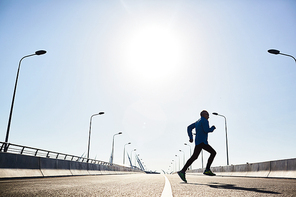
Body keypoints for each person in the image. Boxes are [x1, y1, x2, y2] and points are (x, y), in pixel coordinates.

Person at [178, 110, 217, 183]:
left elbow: (189, 127)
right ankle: (207, 170)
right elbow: (206, 130)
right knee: (213, 153)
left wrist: (191, 137)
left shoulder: (197, 122)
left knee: (194, 157)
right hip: (202, 142)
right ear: (203, 115)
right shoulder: (204, 120)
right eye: (207, 114)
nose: (208, 116)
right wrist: (212, 128)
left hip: (198, 142)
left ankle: (182, 171)